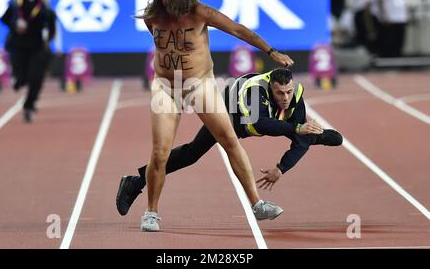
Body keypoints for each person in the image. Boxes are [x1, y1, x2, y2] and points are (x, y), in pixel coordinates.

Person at [125, 0, 294, 232]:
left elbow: (237, 30)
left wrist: (271, 51)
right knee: (160, 153)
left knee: (228, 140)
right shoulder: (153, 15)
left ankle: (257, 204)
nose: (163, 1)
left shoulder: (200, 12)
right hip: (166, 88)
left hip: (200, 85)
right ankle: (151, 213)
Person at [116, 68, 343, 217]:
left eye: (288, 92)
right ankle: (135, 182)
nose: (285, 97)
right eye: (280, 93)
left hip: (256, 119)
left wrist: (282, 167)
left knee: (303, 135)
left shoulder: (295, 94)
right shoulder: (256, 91)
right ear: (270, 88)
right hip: (228, 115)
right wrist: (297, 128)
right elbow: (258, 125)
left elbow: (298, 141)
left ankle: (317, 136)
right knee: (192, 154)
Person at [0, 0, 54, 123]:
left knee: (35, 77)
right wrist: (16, 25)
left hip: (36, 46)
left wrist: (48, 39)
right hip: (18, 45)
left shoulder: (42, 5)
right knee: (21, 76)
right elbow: (4, 18)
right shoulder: (18, 2)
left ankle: (28, 106)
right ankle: (18, 80)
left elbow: (51, 22)